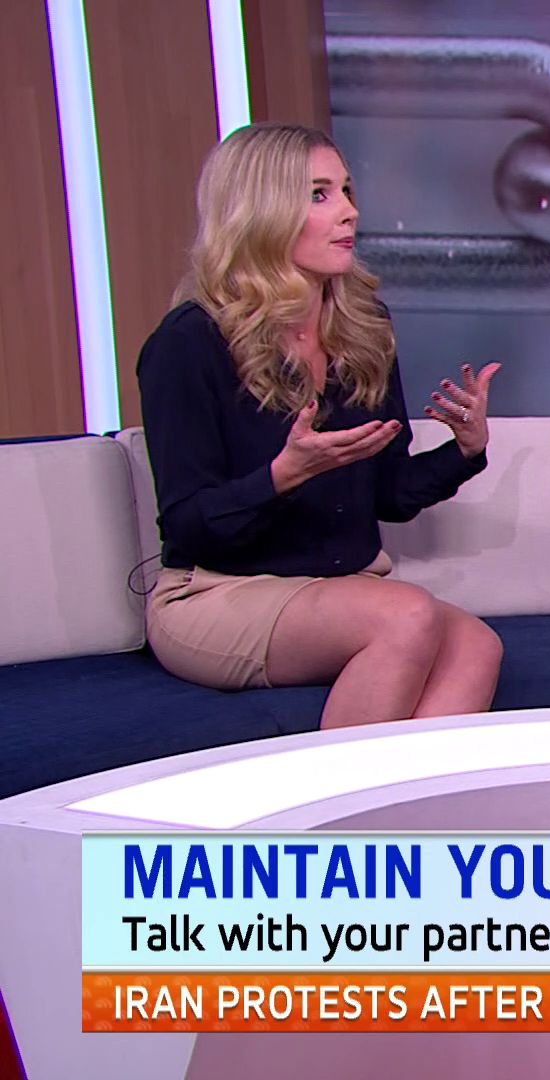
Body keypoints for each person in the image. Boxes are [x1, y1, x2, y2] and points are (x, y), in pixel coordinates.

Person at [138, 123, 504, 728]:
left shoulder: (363, 329)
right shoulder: (190, 342)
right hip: (217, 592)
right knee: (405, 615)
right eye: (319, 195)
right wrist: (283, 475)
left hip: (340, 585)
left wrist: (463, 451)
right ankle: (337, 793)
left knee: (475, 645)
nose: (349, 211)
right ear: (262, 212)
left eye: (347, 191)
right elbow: (189, 524)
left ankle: (393, 791)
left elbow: (388, 495)